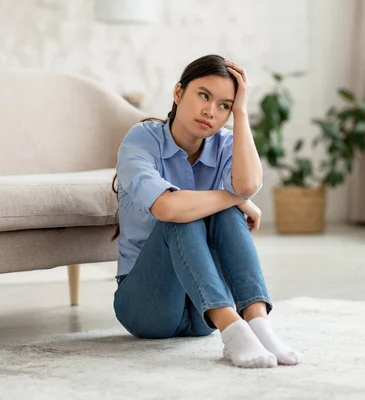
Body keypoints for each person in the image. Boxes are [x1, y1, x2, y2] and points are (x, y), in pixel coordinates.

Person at [111, 54, 302, 368]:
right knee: (179, 216)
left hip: (204, 313)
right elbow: (167, 206)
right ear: (178, 93)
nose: (210, 112)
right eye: (204, 96)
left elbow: (248, 184)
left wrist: (241, 112)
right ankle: (234, 329)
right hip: (146, 306)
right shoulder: (142, 138)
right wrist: (236, 198)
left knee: (223, 214)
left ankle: (258, 325)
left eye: (224, 105)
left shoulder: (226, 143)